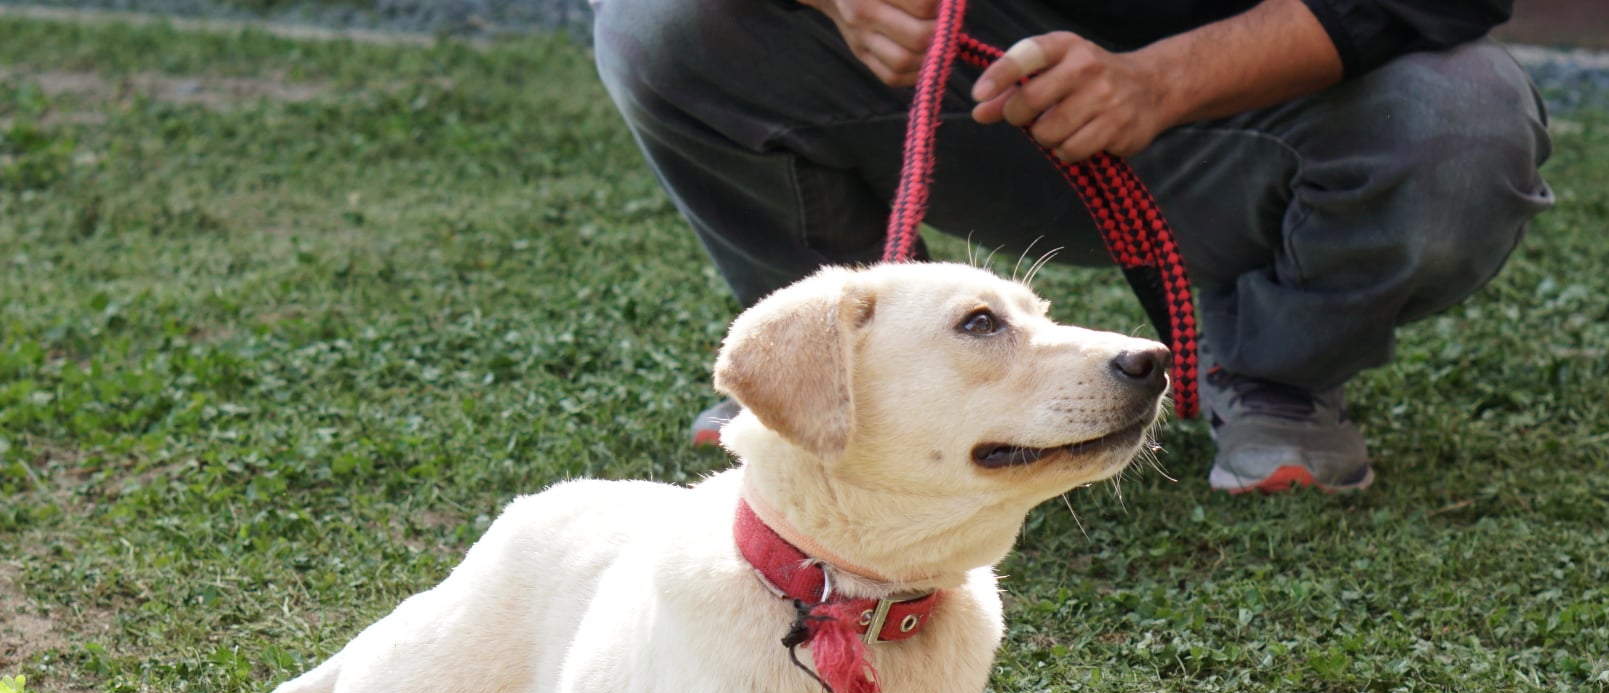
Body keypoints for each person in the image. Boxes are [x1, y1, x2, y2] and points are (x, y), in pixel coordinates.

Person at [592, 0, 1553, 493]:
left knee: (1464, 126)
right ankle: (838, 379)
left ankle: (1275, 371)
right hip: (957, 79)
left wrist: (1162, 82)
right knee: (663, 20)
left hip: (1269, 113)